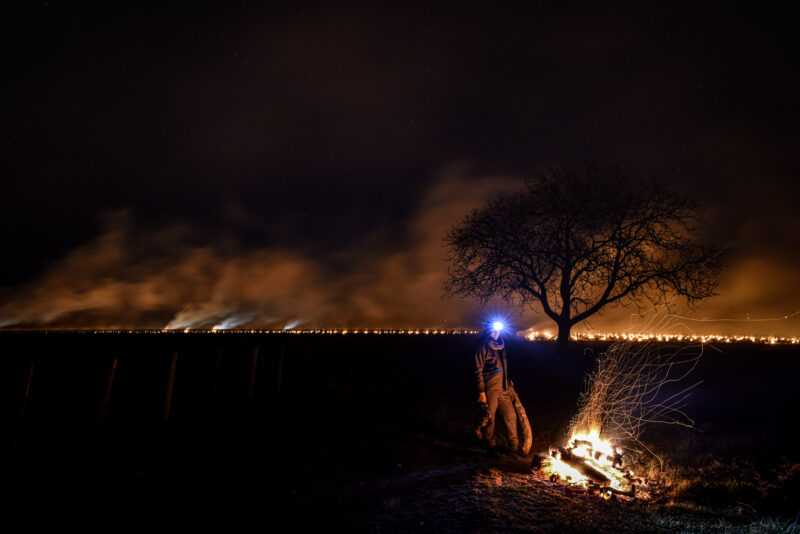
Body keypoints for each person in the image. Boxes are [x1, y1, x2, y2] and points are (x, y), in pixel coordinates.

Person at [474, 323, 519, 454]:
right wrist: (481, 391)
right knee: (490, 419)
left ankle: (514, 447)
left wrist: (508, 381)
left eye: (498, 331)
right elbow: (477, 370)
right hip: (490, 388)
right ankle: (491, 447)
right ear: (488, 331)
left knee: (511, 416)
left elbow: (504, 366)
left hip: (503, 388)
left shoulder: (501, 346)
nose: (496, 333)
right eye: (493, 331)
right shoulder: (483, 346)